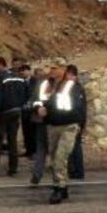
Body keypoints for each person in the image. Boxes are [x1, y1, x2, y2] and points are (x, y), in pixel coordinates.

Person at [34, 58, 87, 204]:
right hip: (52, 126)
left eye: (55, 68)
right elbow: (43, 101)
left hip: (69, 126)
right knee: (54, 158)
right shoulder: (50, 86)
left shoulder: (74, 87)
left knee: (60, 157)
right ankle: (62, 188)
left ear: (63, 70)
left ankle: (58, 187)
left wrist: (80, 127)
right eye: (51, 68)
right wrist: (39, 108)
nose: (52, 70)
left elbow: (81, 109)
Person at [0, 57, 26, 176]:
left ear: (1, 65)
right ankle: (13, 169)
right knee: (12, 141)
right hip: (16, 112)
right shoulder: (18, 76)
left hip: (3, 113)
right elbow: (25, 93)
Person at [66, 64, 87, 180]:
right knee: (74, 147)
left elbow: (77, 107)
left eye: (68, 75)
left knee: (74, 148)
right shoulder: (79, 88)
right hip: (77, 121)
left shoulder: (74, 89)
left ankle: (77, 172)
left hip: (73, 122)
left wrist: (79, 123)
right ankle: (75, 171)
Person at [18, 64, 36, 158]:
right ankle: (28, 151)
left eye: (24, 70)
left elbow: (36, 93)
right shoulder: (20, 82)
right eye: (21, 71)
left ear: (29, 71)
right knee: (26, 131)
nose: (22, 72)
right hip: (24, 110)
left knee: (33, 131)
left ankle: (34, 151)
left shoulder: (35, 81)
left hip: (33, 110)